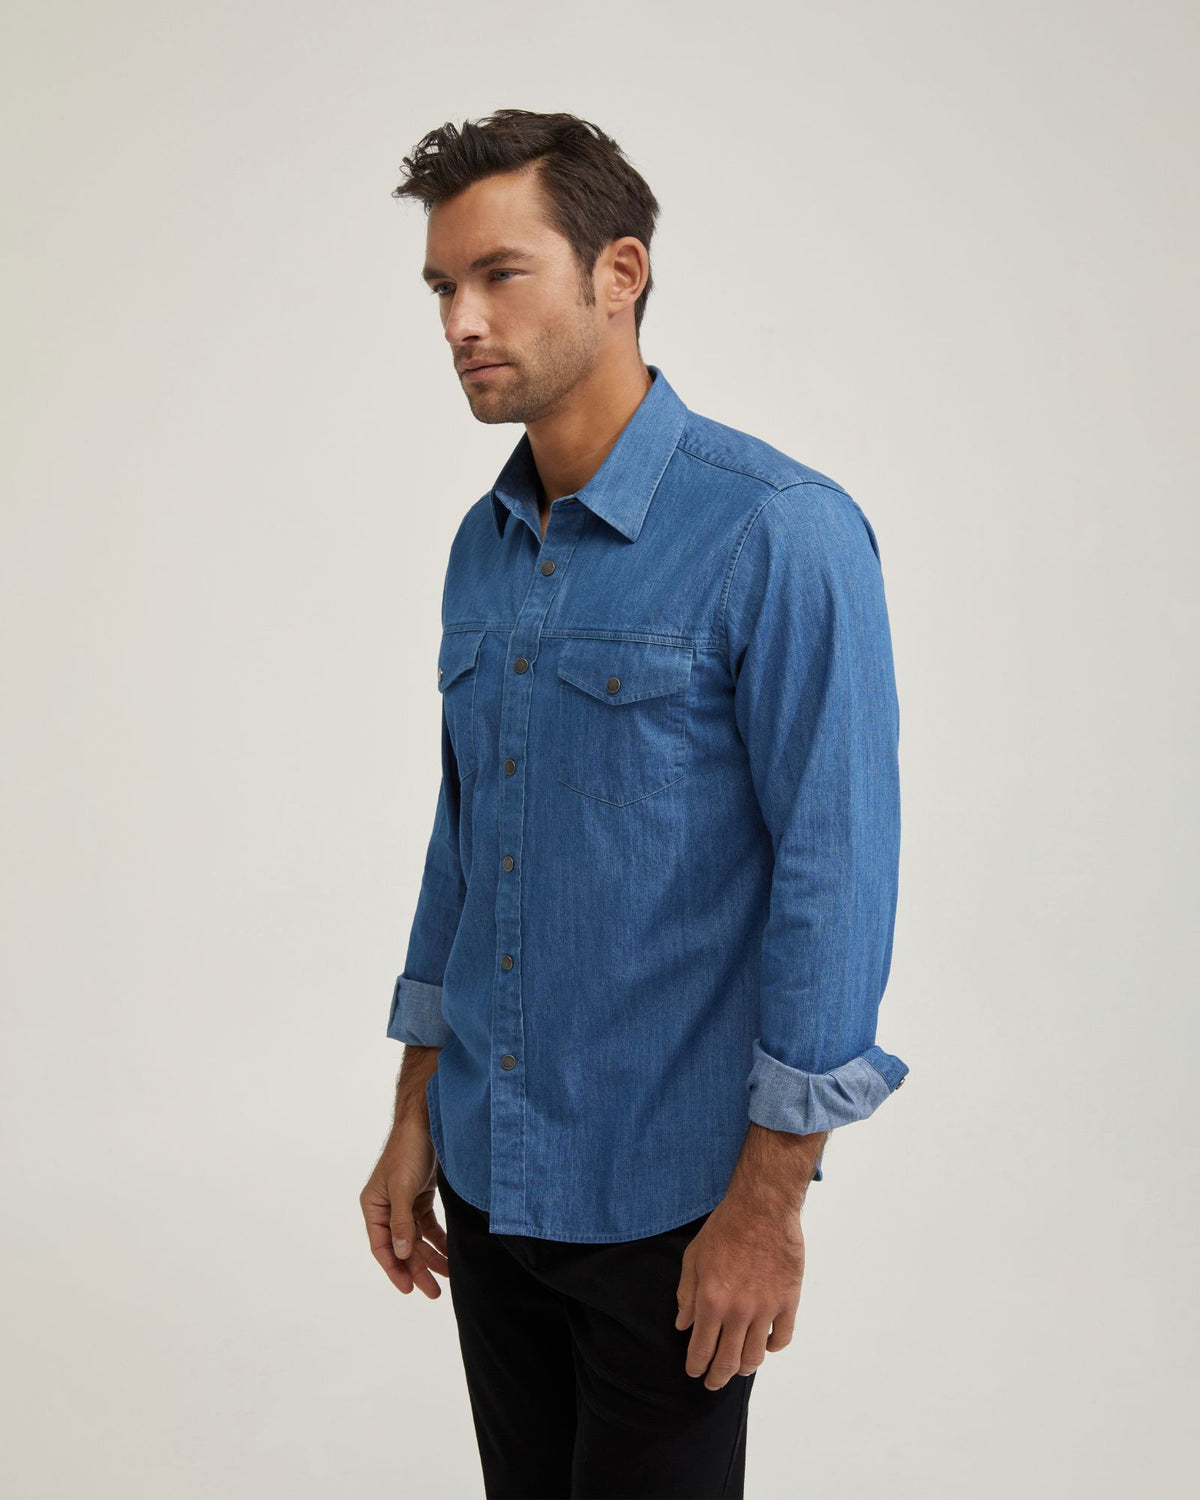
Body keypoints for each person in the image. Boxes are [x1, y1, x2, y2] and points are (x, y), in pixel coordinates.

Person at [359, 108, 910, 1500]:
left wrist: (769, 1206)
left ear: (620, 272)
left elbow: (836, 874)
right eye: (442, 286)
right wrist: (416, 1107)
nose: (461, 322)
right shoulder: (482, 547)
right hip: (489, 1177)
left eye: (500, 274)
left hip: (670, 1204)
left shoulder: (780, 531)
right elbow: (463, 843)